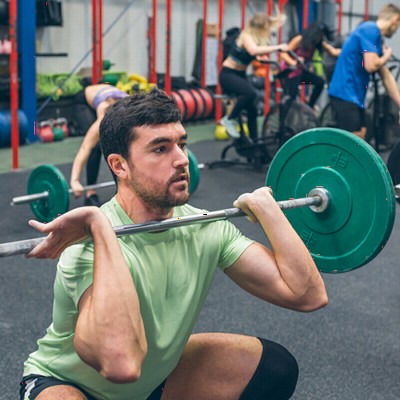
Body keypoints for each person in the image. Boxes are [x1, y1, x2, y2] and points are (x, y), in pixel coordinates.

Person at [19, 89, 328, 400]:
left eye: (181, 144)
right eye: (160, 149)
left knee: (275, 367)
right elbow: (121, 364)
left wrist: (269, 212)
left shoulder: (204, 225)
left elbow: (307, 294)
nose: (182, 160)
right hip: (70, 384)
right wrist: (99, 226)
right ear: (120, 165)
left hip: (151, 382)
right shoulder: (84, 248)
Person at [328, 3, 400, 140]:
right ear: (395, 21)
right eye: (398, 27)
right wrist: (386, 56)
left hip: (355, 96)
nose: (396, 31)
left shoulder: (375, 37)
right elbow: (371, 65)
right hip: (344, 93)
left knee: (361, 138)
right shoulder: (370, 30)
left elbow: (385, 76)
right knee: (353, 144)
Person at [219, 12, 289, 141]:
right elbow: (253, 50)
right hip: (228, 74)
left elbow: (253, 54)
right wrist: (278, 47)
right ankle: (229, 119)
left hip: (240, 74)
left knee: (252, 109)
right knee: (250, 93)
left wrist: (263, 60)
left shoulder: (252, 39)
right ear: (259, 28)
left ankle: (254, 143)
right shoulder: (246, 36)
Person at [70, 83, 128, 206]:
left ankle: (122, 189)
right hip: (84, 101)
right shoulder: (104, 114)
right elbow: (85, 147)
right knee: (95, 147)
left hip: (107, 95)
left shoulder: (132, 110)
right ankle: (91, 192)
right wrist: (75, 181)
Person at [279, 21, 340, 111]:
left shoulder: (317, 44)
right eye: (320, 35)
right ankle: (283, 121)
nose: (320, 38)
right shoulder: (299, 39)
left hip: (300, 73)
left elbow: (333, 51)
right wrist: (293, 62)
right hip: (289, 73)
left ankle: (310, 106)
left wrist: (350, 51)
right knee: (290, 98)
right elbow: (283, 53)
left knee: (319, 83)